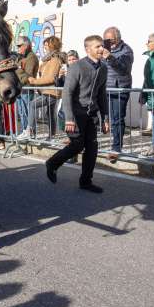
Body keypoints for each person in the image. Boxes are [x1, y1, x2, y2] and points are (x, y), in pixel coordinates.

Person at [45, 35, 109, 193]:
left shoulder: (104, 68)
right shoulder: (77, 67)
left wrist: (105, 118)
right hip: (75, 113)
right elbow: (67, 93)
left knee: (92, 148)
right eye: (97, 47)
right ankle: (52, 163)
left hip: (91, 114)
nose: (101, 49)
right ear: (88, 49)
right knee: (77, 145)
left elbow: (101, 94)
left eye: (102, 46)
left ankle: (86, 181)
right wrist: (69, 118)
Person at [18, 36, 65, 140]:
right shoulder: (48, 60)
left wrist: (35, 81)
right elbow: (44, 75)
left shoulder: (55, 60)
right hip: (47, 91)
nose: (45, 47)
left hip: (52, 91)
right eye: (44, 45)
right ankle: (51, 136)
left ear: (53, 45)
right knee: (50, 114)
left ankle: (30, 131)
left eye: (46, 44)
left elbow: (50, 78)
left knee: (33, 104)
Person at [101, 27, 134, 162]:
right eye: (106, 40)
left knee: (117, 118)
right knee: (103, 118)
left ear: (118, 38)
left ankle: (116, 148)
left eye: (111, 40)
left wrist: (110, 57)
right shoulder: (103, 49)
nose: (109, 43)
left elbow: (123, 69)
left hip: (119, 89)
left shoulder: (126, 50)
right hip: (105, 88)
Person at [15, 36, 39, 133]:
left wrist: (16, 69)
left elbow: (28, 76)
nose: (18, 48)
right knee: (22, 112)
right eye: (17, 46)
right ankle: (25, 130)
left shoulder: (31, 57)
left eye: (20, 46)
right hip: (20, 88)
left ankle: (31, 132)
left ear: (26, 45)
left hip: (27, 88)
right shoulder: (21, 58)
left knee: (28, 112)